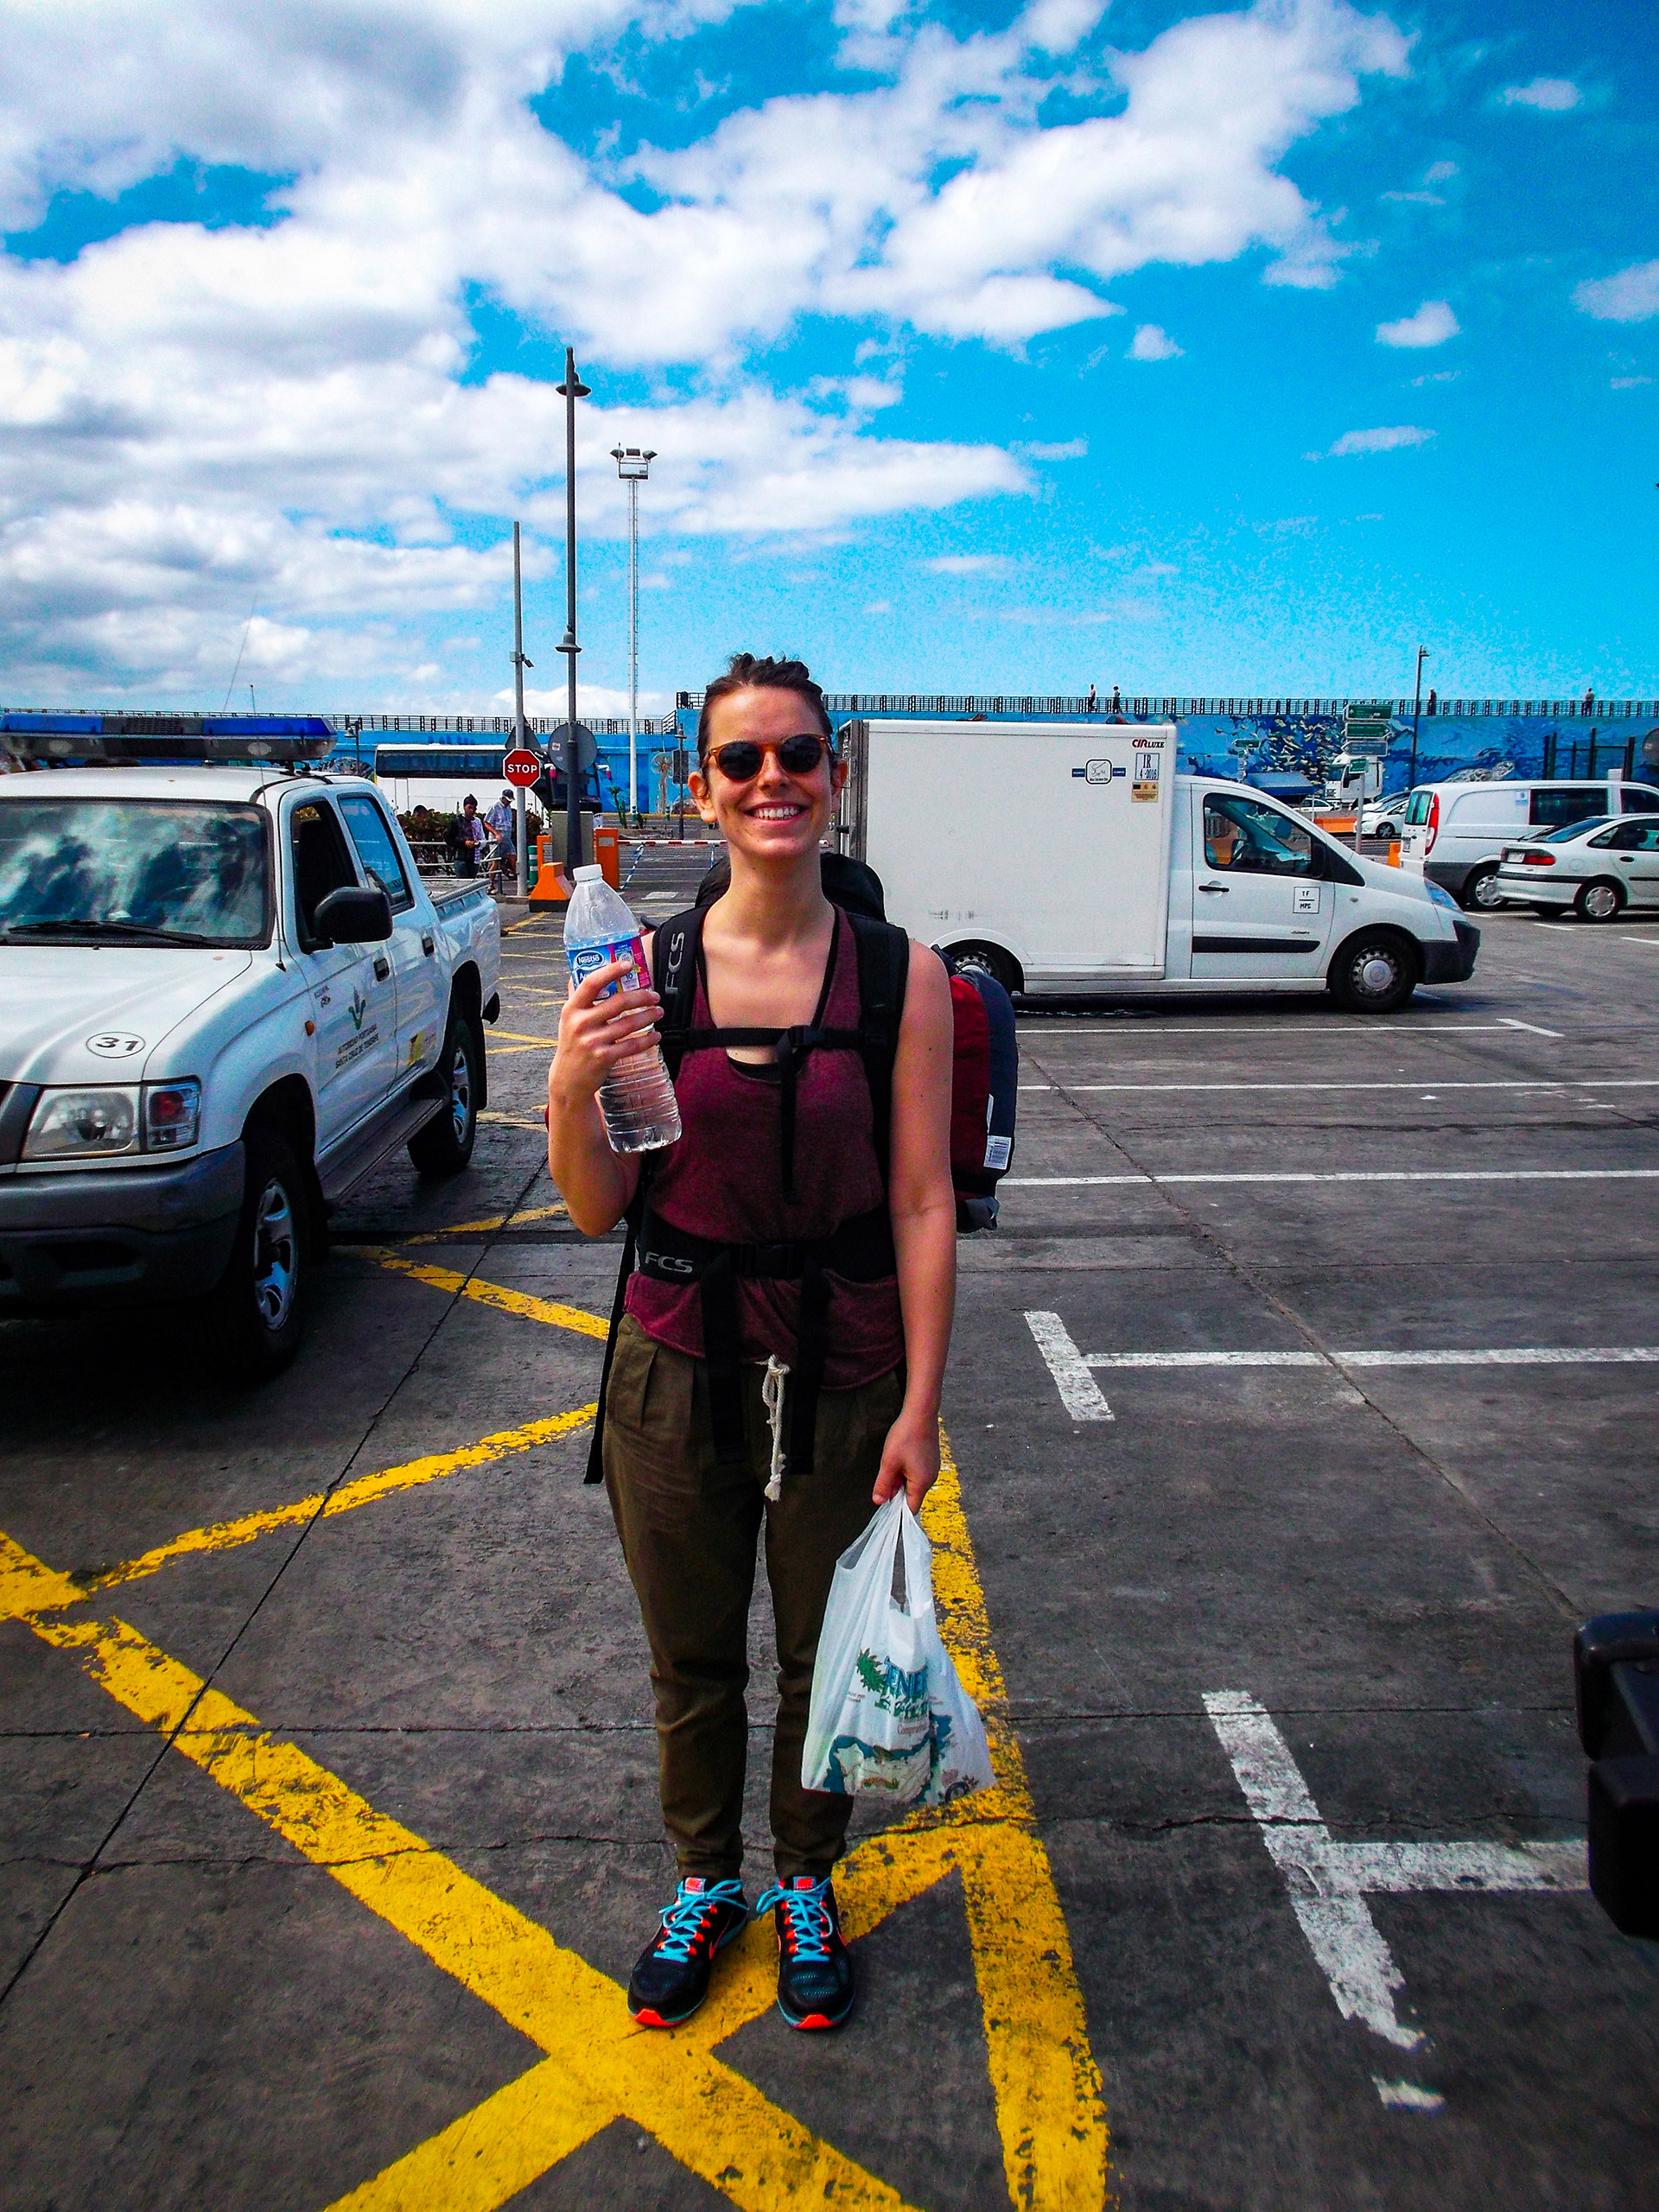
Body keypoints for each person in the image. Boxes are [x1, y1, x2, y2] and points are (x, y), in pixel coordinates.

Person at [546, 653, 957, 2034]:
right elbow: (599, 1200)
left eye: (800, 754)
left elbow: (920, 1198)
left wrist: (923, 1405)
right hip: (674, 1359)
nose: (772, 779)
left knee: (822, 1657)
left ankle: (806, 1885)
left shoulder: (905, 975)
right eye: (742, 760)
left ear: (834, 778)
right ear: (702, 785)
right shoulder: (644, 971)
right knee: (693, 1657)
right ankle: (708, 1879)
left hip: (847, 1369)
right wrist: (568, 1079)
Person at [485, 789, 516, 892]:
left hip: (506, 837)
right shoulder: (495, 807)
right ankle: (491, 884)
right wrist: (496, 834)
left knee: (512, 855)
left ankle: (514, 875)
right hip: (496, 838)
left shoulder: (508, 808)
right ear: (503, 798)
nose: (509, 802)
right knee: (496, 861)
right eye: (507, 800)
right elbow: (486, 822)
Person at [456, 794, 484, 877]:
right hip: (461, 858)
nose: (472, 810)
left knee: (472, 883)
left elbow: (483, 839)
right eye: (470, 808)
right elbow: (450, 839)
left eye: (474, 808)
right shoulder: (457, 821)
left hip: (474, 859)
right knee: (462, 884)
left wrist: (479, 843)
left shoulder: (477, 821)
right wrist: (464, 843)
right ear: (464, 807)